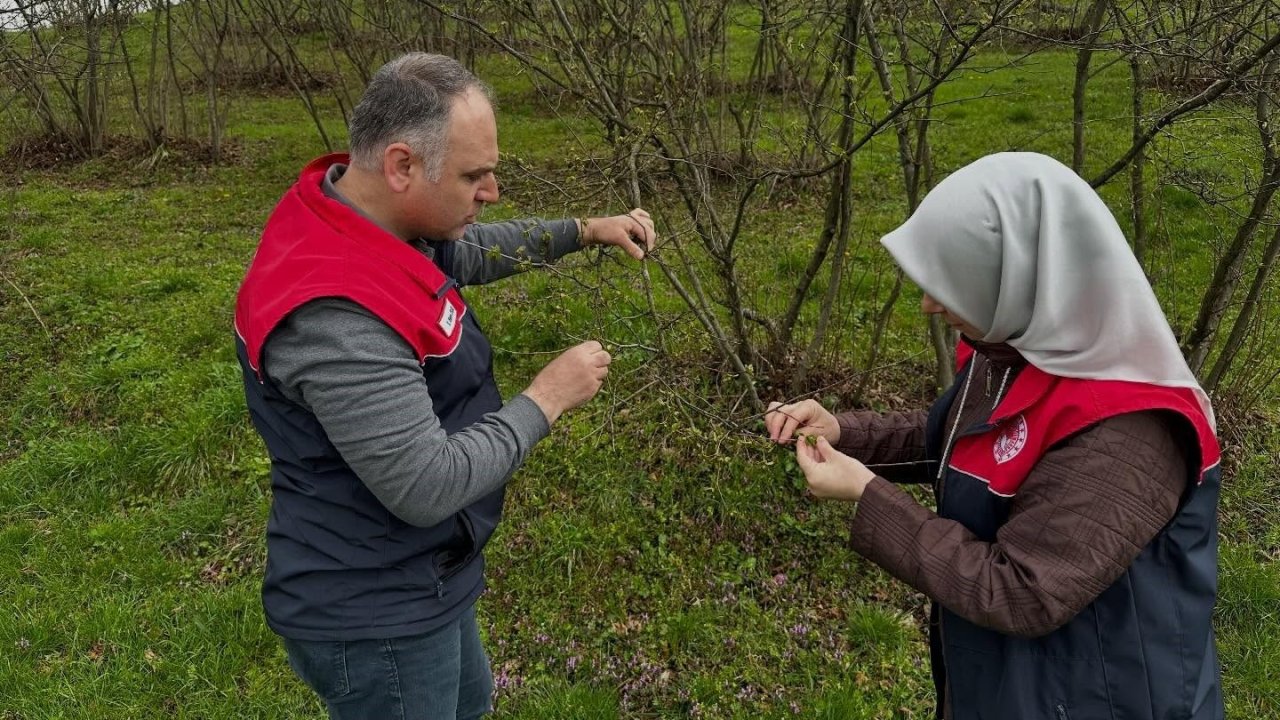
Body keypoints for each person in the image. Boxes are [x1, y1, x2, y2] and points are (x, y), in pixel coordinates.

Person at [233, 53, 655, 719]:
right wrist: (547, 397)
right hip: (374, 609)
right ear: (401, 165)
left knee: (471, 705)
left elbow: (468, 250)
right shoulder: (336, 316)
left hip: (424, 574)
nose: (490, 193)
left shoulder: (371, 221)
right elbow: (425, 486)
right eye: (473, 176)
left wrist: (584, 232)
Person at [765, 152, 1222, 720]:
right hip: (1013, 685)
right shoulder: (1017, 348)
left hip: (1099, 697)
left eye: (950, 285)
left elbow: (1024, 592)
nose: (930, 304)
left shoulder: (1129, 431)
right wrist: (845, 433)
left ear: (1016, 276)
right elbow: (960, 439)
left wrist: (868, 496)